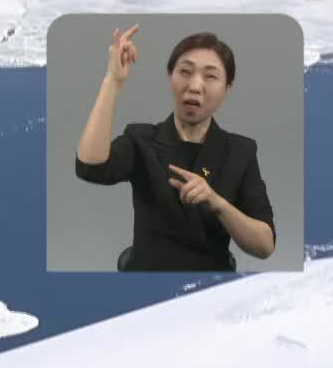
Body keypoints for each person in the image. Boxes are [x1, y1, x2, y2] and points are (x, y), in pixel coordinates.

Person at [74, 26, 276, 271]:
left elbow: (265, 245)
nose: (195, 85)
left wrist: (216, 202)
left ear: (227, 88)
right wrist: (112, 81)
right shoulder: (141, 139)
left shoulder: (240, 151)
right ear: (170, 77)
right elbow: (90, 166)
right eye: (185, 72)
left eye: (210, 76)